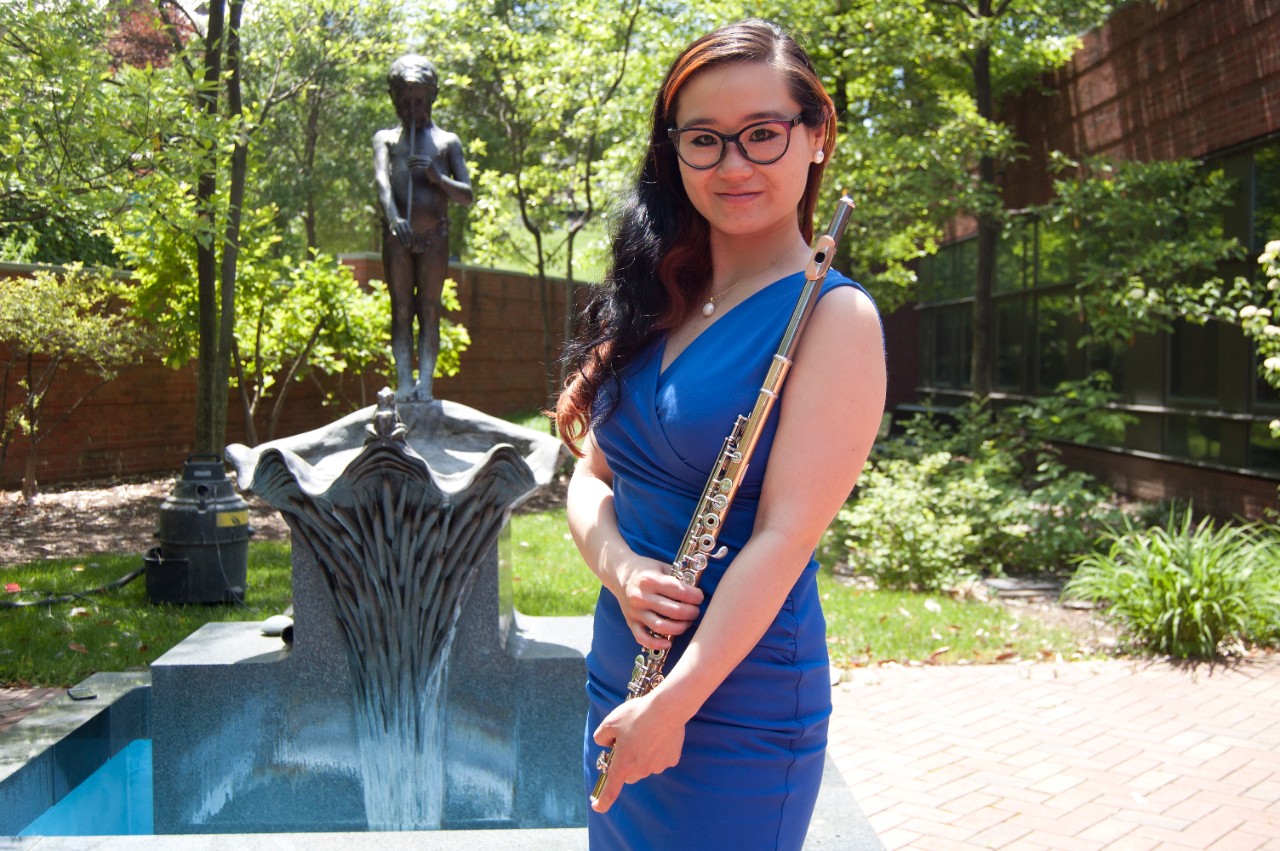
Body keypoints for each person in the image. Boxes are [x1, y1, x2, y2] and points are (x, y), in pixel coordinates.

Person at [554, 19, 887, 851]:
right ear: (673, 154)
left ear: (816, 137)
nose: (733, 165)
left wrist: (674, 704)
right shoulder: (657, 297)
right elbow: (592, 478)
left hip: (733, 699)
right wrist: (624, 570)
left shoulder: (835, 317)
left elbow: (782, 537)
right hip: (621, 668)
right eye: (704, 140)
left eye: (762, 135)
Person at [373, 54, 473, 402]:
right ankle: (403, 381)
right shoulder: (386, 139)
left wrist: (436, 177)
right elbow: (382, 182)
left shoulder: (447, 143)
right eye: (406, 101)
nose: (413, 108)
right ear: (395, 100)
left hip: (434, 238)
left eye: (419, 101)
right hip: (399, 238)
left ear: (431, 98)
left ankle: (425, 384)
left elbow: (466, 195)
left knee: (429, 308)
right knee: (400, 309)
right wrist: (394, 219)